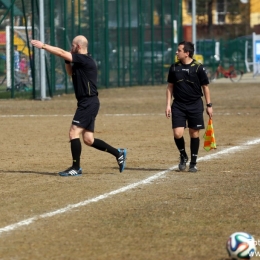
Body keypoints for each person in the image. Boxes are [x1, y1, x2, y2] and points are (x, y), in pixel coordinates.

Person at [31, 36, 127, 176]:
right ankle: (118, 153)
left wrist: (44, 46)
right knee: (89, 139)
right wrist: (67, 60)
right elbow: (70, 72)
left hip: (88, 102)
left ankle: (76, 167)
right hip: (87, 102)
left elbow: (61, 52)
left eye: (73, 45)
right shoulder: (79, 61)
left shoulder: (85, 59)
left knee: (73, 133)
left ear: (79, 47)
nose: (71, 47)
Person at [165, 41, 213, 172]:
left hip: (195, 104)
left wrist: (209, 105)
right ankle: (183, 155)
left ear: (187, 53)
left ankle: (193, 162)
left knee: (194, 133)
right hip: (178, 105)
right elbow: (170, 87)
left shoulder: (198, 68)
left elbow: (205, 87)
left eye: (179, 50)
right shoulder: (174, 68)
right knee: (177, 133)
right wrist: (168, 105)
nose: (176, 52)